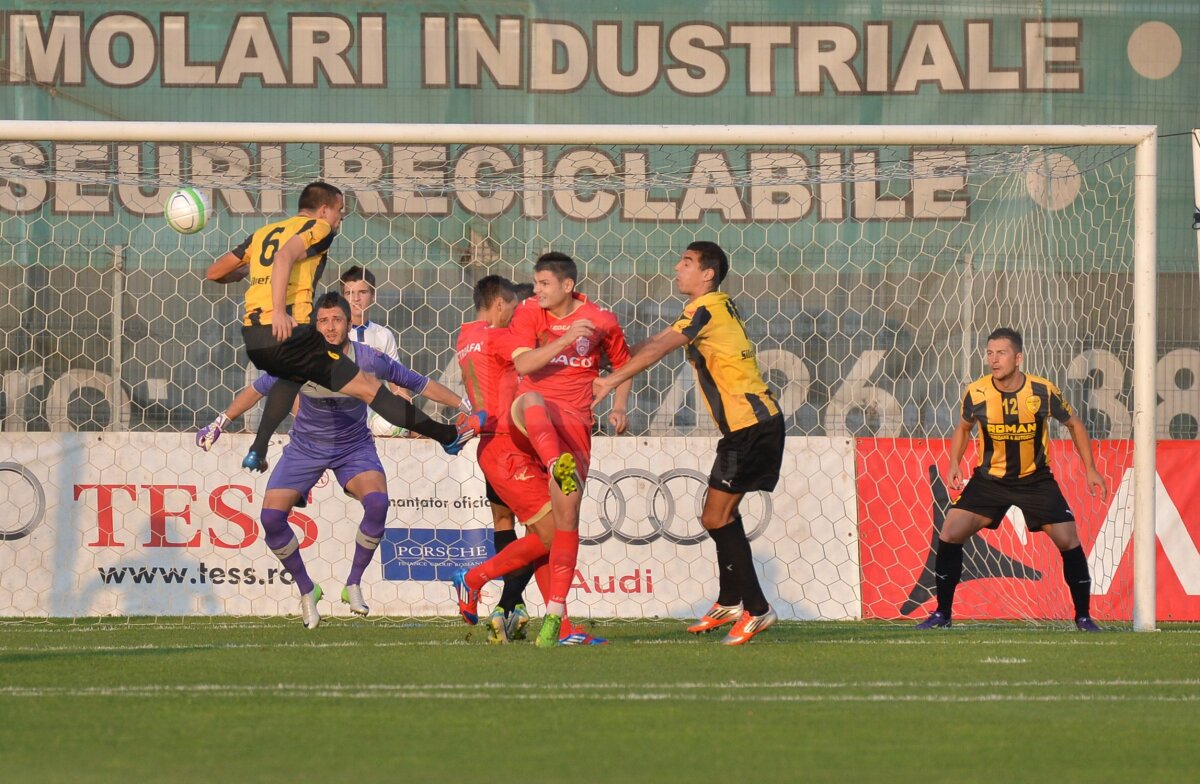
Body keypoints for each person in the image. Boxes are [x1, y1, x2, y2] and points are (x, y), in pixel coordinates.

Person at [195, 293, 470, 629]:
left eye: (336, 320)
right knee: (270, 519)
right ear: (315, 325)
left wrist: (465, 406)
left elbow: (417, 382)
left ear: (349, 322)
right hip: (305, 448)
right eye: (323, 321)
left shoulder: (368, 359)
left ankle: (353, 583)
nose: (330, 327)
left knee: (378, 504)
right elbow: (258, 389)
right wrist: (220, 421)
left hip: (354, 447)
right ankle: (307, 589)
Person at [204, 181, 481, 472]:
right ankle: (448, 436)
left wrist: (251, 269)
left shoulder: (262, 234)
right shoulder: (320, 228)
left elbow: (215, 272)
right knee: (370, 388)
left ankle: (258, 450)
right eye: (339, 211)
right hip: (289, 330)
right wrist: (278, 311)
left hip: (255, 338)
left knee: (289, 377)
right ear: (323, 210)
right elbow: (285, 255)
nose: (340, 219)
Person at [593, 241, 784, 645]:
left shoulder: (707, 308)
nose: (676, 268)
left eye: (686, 263)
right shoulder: (709, 308)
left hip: (751, 427)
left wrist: (610, 380)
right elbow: (656, 341)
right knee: (720, 516)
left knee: (715, 519)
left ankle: (758, 609)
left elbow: (662, 348)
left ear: (708, 273)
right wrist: (615, 363)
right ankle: (730, 601)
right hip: (749, 427)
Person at [457, 253, 633, 648]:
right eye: (530, 289)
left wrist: (619, 402)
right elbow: (522, 363)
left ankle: (507, 599)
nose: (534, 294)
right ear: (505, 304)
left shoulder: (598, 320)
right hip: (511, 442)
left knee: (548, 534)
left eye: (542, 285)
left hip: (551, 431)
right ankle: (505, 599)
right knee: (532, 398)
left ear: (568, 286)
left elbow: (625, 362)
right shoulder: (507, 330)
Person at [914, 327, 1109, 632]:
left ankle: (1083, 617)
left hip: (1035, 480)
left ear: (1018, 358)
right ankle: (943, 614)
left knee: (1068, 540)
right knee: (950, 532)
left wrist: (1091, 469)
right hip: (989, 481)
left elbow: (1074, 424)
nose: (994, 359)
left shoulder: (1042, 391)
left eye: (1001, 353)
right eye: (990, 353)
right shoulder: (976, 392)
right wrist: (954, 462)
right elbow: (964, 428)